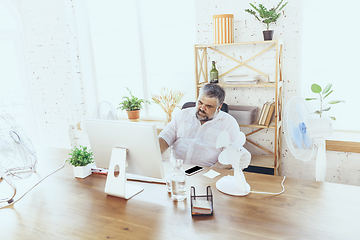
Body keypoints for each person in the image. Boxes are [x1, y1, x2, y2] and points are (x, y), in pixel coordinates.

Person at [158, 83, 245, 167]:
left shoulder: (229, 123)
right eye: (200, 102)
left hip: (207, 172)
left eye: (209, 106)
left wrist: (210, 173)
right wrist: (153, 156)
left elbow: (230, 156)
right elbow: (164, 138)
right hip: (177, 169)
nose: (202, 108)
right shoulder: (182, 115)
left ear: (219, 107)